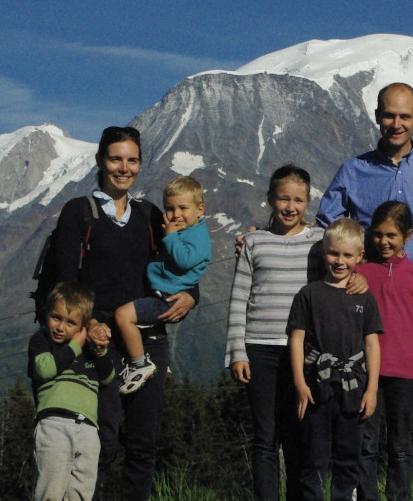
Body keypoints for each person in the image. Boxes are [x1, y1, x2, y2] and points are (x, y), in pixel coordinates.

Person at [316, 83, 413, 501]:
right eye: (389, 115)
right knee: (357, 402)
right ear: (377, 117)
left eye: (405, 116)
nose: (396, 123)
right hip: (365, 300)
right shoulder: (354, 170)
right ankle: (353, 494)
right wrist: (352, 269)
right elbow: (327, 227)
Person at [52, 125, 199, 501]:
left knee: (143, 443)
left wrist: (191, 295)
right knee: (101, 440)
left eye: (132, 160)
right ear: (101, 162)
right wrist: (90, 323)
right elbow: (63, 283)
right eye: (116, 159)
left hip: (148, 340)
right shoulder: (79, 213)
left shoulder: (149, 215)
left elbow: (180, 263)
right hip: (97, 345)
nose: (124, 167)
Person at [225, 164, 324, 501]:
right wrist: (237, 351)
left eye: (298, 199)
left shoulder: (320, 241)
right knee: (265, 437)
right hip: (259, 349)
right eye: (283, 198)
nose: (290, 206)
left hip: (305, 353)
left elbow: (342, 271)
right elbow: (239, 297)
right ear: (270, 199)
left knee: (300, 434)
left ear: (308, 201)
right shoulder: (254, 242)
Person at [287, 217, 382, 501]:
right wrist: (300, 384)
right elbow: (297, 340)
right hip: (316, 388)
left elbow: (372, 344)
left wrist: (372, 389)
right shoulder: (309, 294)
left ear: (359, 257)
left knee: (348, 458)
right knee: (313, 458)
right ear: (324, 253)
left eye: (347, 255)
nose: (340, 261)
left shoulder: (365, 298)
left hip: (354, 389)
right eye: (334, 253)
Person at [354, 201, 413, 501]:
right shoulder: (360, 272)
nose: (383, 242)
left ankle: (401, 497)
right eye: (377, 235)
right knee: (366, 443)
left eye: (391, 236)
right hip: (366, 370)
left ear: (407, 236)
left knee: (400, 444)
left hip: (403, 372)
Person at [115, 176, 211, 395]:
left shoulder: (195, 237)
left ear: (200, 209)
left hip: (165, 298)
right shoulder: (187, 230)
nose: (176, 214)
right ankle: (156, 362)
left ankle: (140, 365)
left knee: (123, 316)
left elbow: (184, 260)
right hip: (161, 294)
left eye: (183, 208)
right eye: (170, 208)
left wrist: (170, 237)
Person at [28, 282, 116, 501]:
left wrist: (100, 351)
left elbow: (108, 377)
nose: (60, 327)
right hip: (54, 424)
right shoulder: (41, 340)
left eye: (70, 322)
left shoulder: (90, 350)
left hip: (88, 430)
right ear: (46, 314)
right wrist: (75, 345)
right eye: (56, 317)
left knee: (81, 494)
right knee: (50, 491)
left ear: (83, 326)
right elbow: (45, 368)